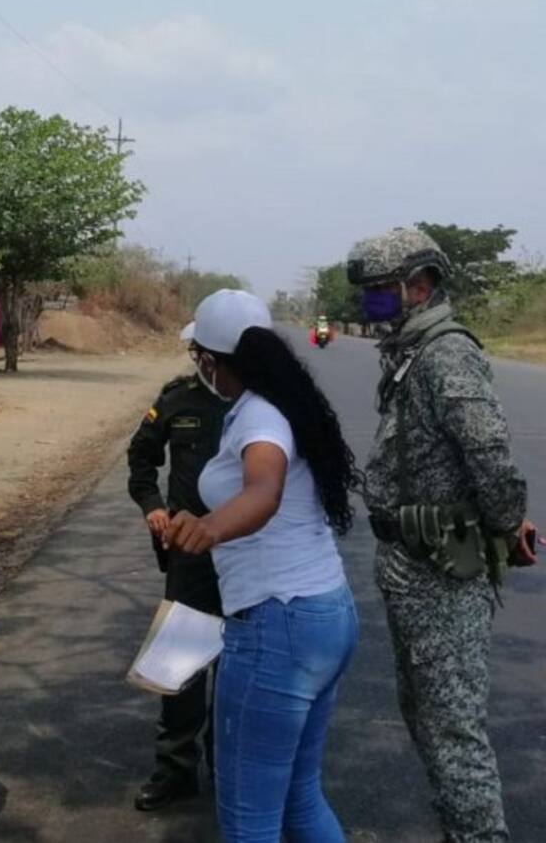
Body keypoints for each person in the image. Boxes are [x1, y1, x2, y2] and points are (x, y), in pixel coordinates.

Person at [345, 228, 537, 843]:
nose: (370, 302)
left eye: (379, 290)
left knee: (453, 728)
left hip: (440, 570)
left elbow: (490, 452)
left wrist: (507, 526)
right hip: (410, 560)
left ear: (418, 284)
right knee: (427, 717)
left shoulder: (446, 353)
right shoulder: (410, 351)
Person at [163, 289, 359, 843]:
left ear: (211, 358)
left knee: (250, 821)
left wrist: (210, 527)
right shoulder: (278, 404)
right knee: (299, 796)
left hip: (279, 626)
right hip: (323, 615)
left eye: (198, 355)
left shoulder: (260, 417)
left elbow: (265, 489)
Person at [126, 372, 228, 810]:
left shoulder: (263, 397)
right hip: (190, 555)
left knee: (241, 666)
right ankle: (176, 769)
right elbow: (141, 457)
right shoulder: (177, 399)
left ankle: (230, 768)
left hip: (249, 552)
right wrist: (152, 507)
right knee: (182, 663)